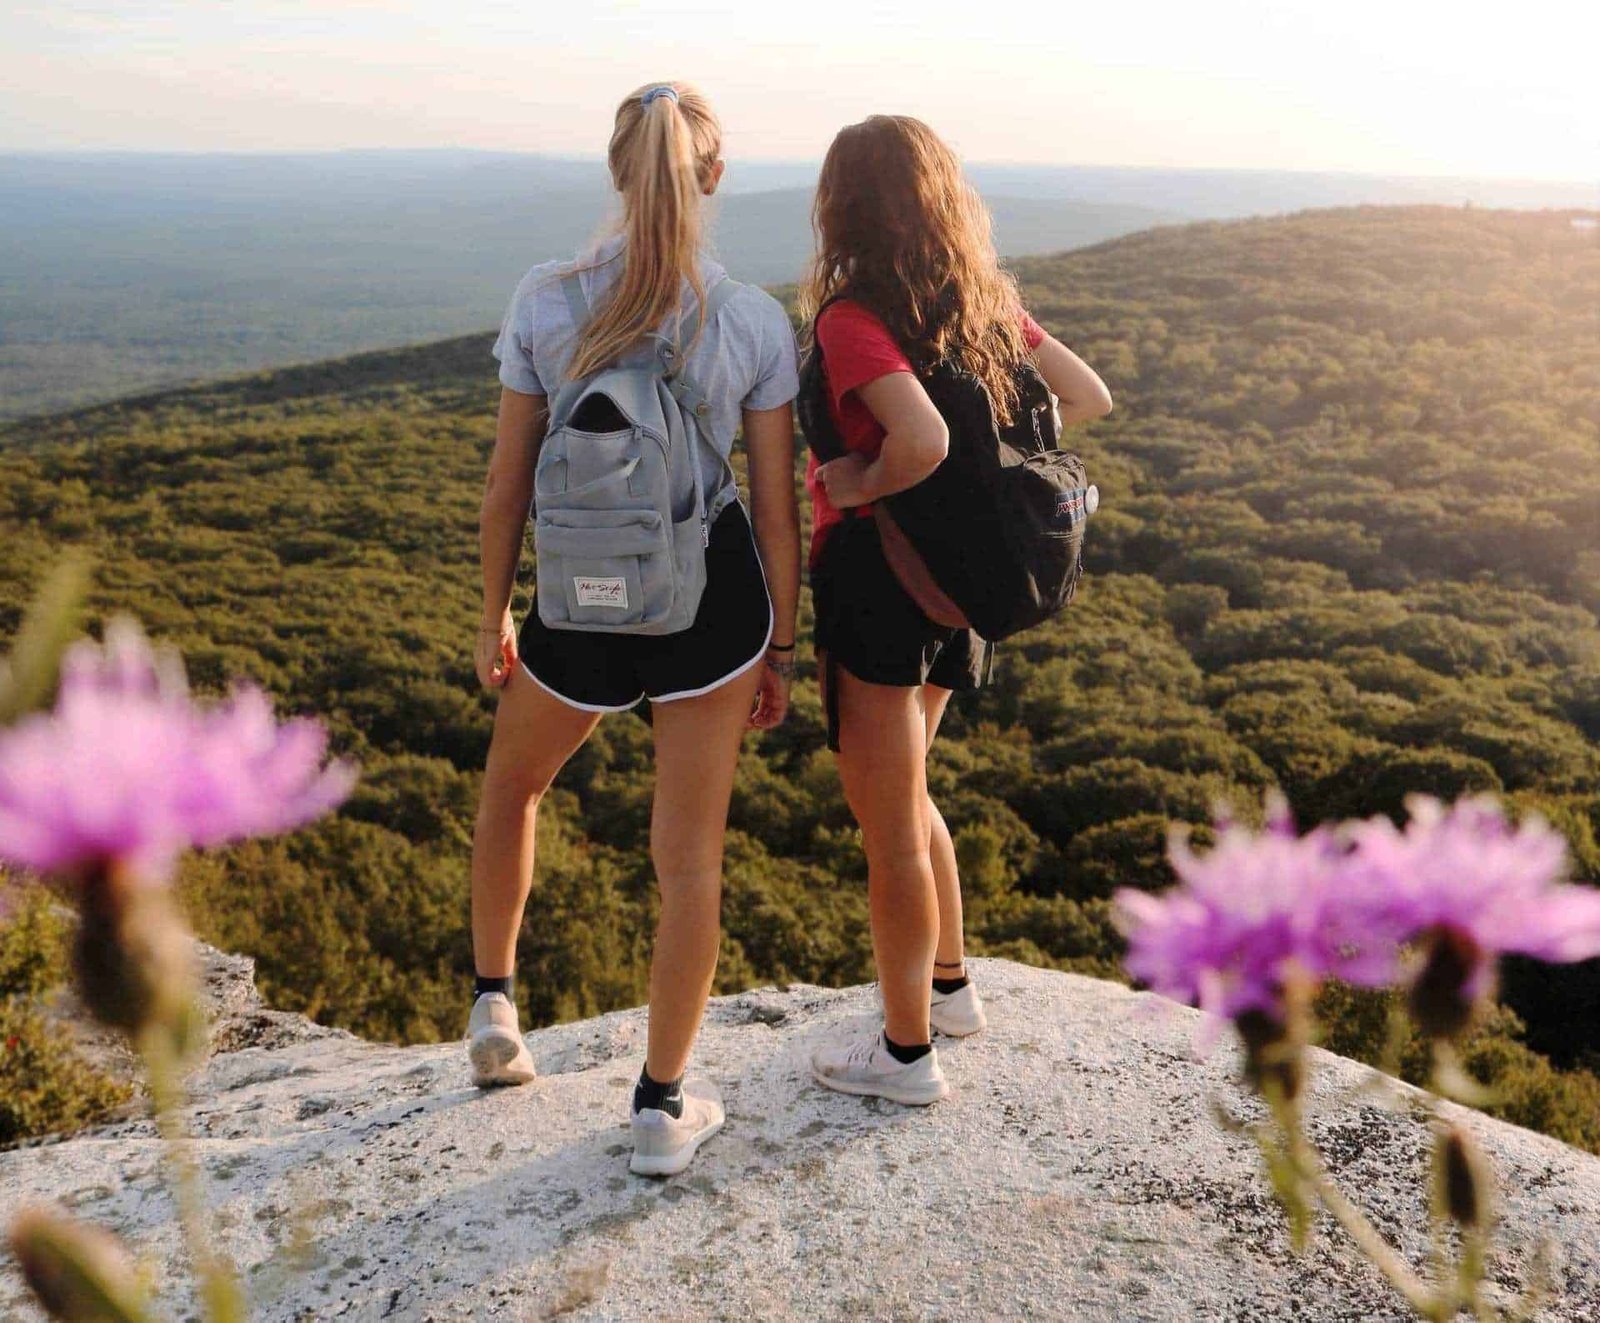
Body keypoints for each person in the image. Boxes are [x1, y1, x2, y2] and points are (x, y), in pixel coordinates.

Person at [468, 81, 801, 1176]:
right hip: (709, 616)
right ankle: (660, 1107)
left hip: (575, 604)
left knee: (513, 789)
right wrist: (783, 648)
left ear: (616, 169)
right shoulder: (748, 318)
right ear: (712, 175)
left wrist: (493, 615)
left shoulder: (544, 299)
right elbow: (774, 501)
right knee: (687, 864)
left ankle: (493, 1010)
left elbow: (507, 484)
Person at [802, 115, 1112, 1105]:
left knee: (884, 822)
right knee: (910, 795)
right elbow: (1089, 395)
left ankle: (902, 1056)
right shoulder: (982, 305)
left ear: (840, 205)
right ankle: (948, 988)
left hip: (880, 587)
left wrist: (856, 487)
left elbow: (923, 438)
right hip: (960, 592)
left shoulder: (853, 316)